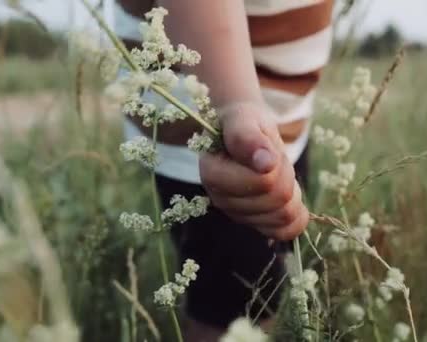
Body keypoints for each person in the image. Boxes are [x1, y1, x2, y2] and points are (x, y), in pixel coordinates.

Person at [113, 0, 334, 340]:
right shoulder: (224, 123)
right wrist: (234, 103)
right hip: (212, 121)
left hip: (283, 114)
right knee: (232, 314)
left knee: (266, 286)